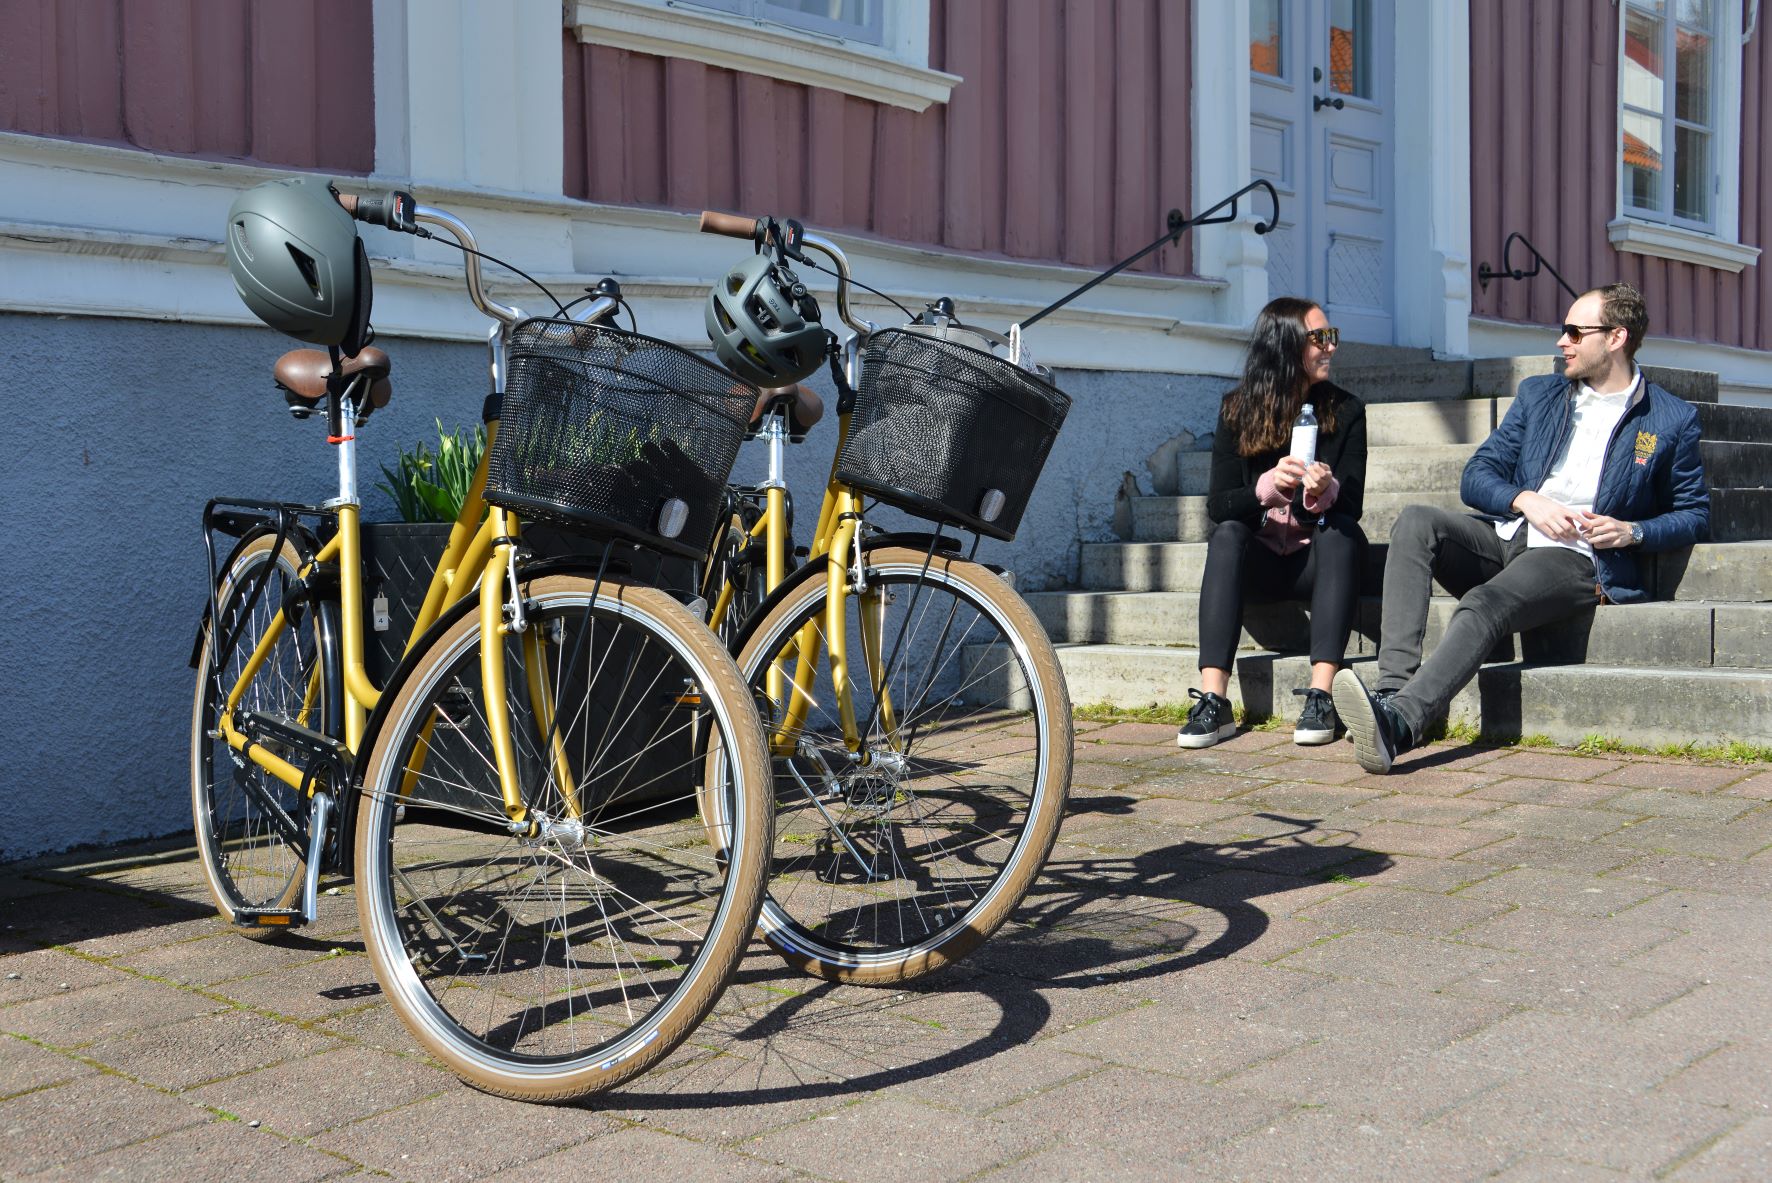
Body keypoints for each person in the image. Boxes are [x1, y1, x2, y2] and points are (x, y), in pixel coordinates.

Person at [1333, 282, 1708, 773]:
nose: (1562, 341)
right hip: (1510, 534)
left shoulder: (1671, 418)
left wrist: (1632, 532)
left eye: (1575, 331)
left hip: (1576, 558)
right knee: (1416, 522)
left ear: (1616, 337)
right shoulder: (1540, 395)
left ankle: (1401, 726)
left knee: (1483, 603)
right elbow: (1477, 475)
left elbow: (1694, 512)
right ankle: (1390, 693)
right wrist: (1525, 499)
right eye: (1563, 330)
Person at [1178, 297, 1367, 749]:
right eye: (1319, 338)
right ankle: (1214, 700)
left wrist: (1325, 492)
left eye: (1332, 336)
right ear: (1285, 347)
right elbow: (1219, 504)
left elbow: (1353, 505)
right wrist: (1267, 487)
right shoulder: (1236, 411)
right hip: (1258, 566)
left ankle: (1322, 693)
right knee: (1226, 534)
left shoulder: (1347, 410)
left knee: (1343, 534)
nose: (1330, 347)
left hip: (1314, 563)